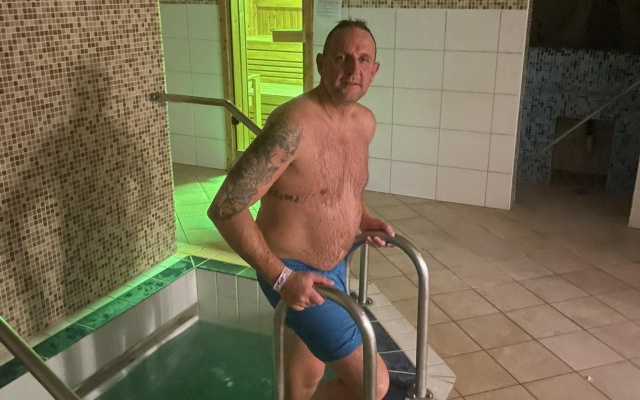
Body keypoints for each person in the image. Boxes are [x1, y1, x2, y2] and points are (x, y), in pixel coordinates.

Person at [208, 19, 394, 400]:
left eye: (363, 60)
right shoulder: (293, 125)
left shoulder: (365, 123)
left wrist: (363, 218)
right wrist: (281, 278)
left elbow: (343, 187)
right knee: (374, 386)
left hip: (334, 269)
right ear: (321, 63)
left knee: (304, 379)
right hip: (291, 271)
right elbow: (226, 208)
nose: (353, 69)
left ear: (374, 70)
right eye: (341, 58)